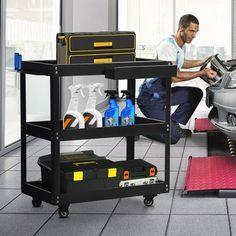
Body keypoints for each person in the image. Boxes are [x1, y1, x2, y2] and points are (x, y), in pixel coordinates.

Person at [137, 14, 217, 144]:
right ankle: (137, 125)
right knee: (173, 138)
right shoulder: (167, 46)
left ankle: (173, 123)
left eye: (196, 32)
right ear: (181, 28)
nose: (194, 35)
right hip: (150, 98)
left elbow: (182, 62)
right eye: (191, 31)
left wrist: (203, 60)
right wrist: (201, 72)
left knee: (195, 93)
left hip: (163, 93)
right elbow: (174, 76)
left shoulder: (181, 46)